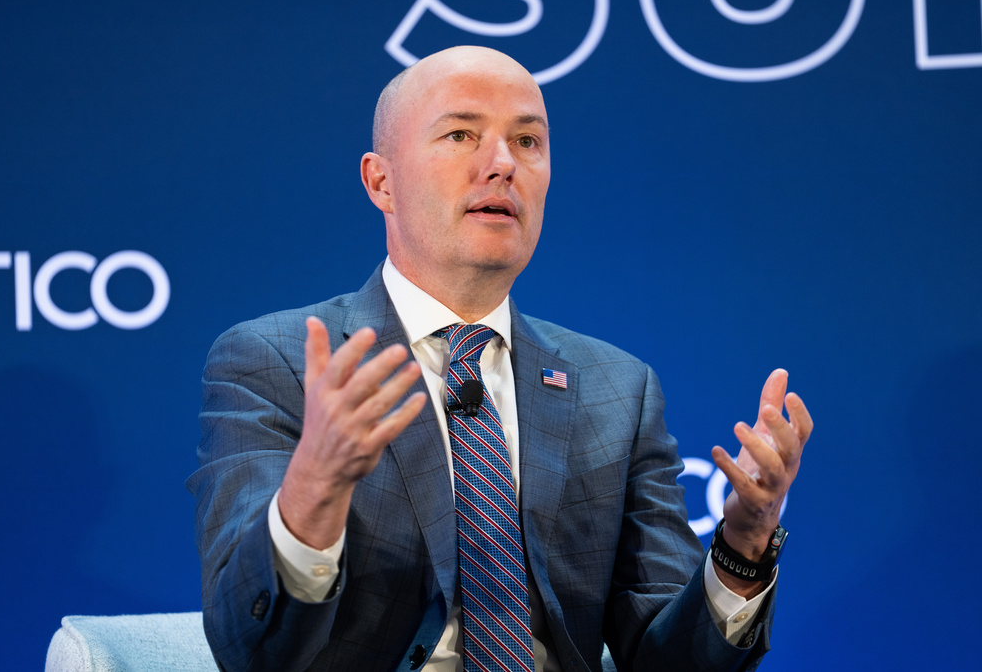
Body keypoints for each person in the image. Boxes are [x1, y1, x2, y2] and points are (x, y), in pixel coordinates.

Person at [187, 46, 813, 672]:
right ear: (382, 181)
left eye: (528, 141)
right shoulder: (279, 364)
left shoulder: (617, 391)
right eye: (461, 134)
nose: (502, 164)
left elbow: (668, 662)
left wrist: (743, 543)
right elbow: (252, 649)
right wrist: (312, 491)